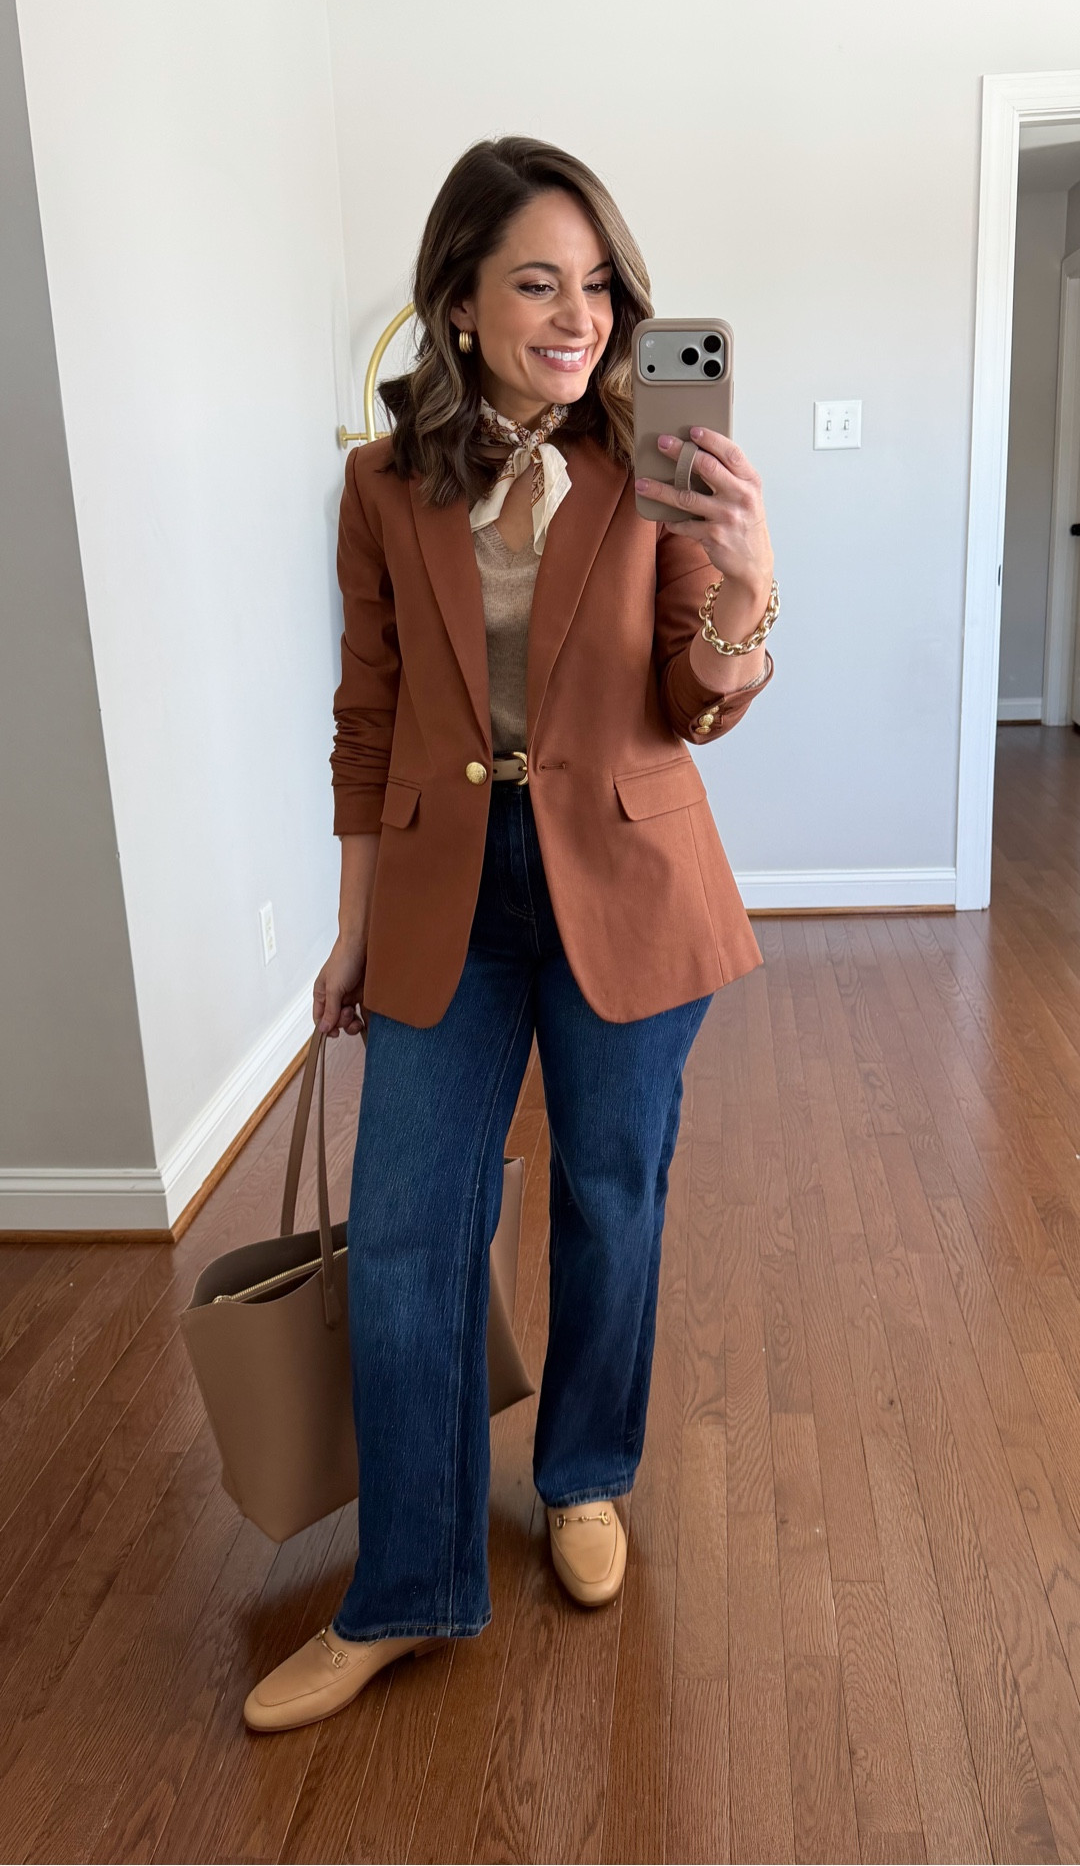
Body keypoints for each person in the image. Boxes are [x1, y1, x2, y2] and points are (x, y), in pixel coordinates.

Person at [243, 135, 777, 1734]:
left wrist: (746, 588)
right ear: (460, 303)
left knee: (613, 1198)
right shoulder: (378, 483)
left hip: (627, 888)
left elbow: (698, 700)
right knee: (409, 1232)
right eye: (538, 281)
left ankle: (587, 1478)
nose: (578, 315)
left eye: (599, 284)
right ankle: (405, 1585)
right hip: (440, 903)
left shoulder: (657, 460)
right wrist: (349, 925)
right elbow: (369, 713)